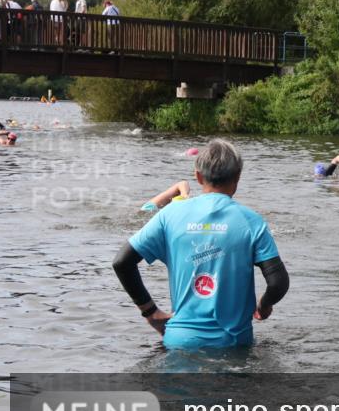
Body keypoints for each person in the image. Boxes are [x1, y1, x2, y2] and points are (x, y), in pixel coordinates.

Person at [113, 139, 289, 349]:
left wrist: (150, 312)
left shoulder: (169, 215)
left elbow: (122, 262)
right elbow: (278, 282)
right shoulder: (251, 221)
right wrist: (264, 305)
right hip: (233, 345)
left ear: (198, 176)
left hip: (179, 342)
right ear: (238, 177)